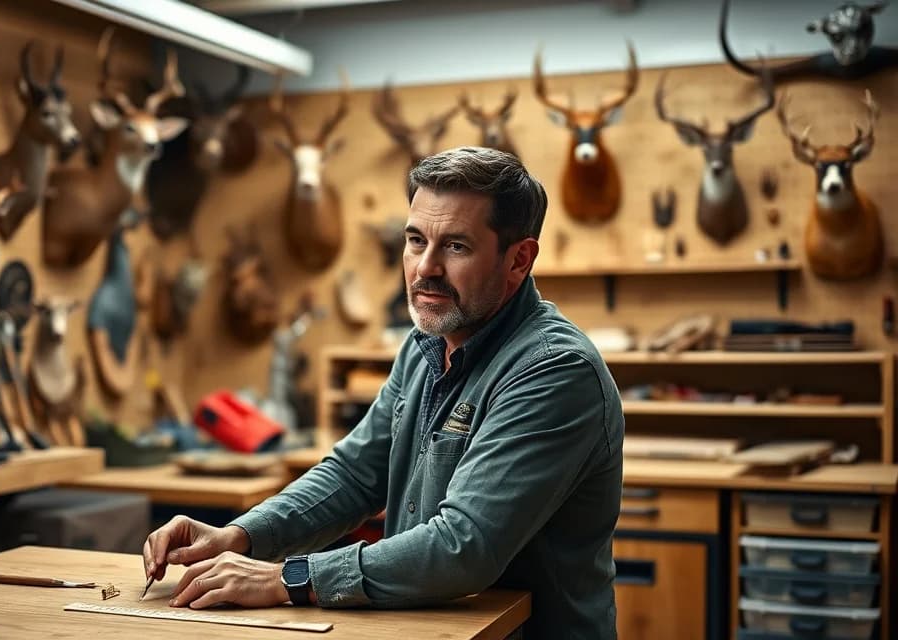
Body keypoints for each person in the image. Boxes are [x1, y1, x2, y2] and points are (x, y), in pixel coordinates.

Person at [142, 146, 624, 639]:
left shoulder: (554, 370)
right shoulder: (427, 345)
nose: (425, 268)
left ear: (518, 259)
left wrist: (290, 577)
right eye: (416, 241)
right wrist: (240, 536)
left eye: (456, 246)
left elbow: (463, 547)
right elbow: (355, 475)